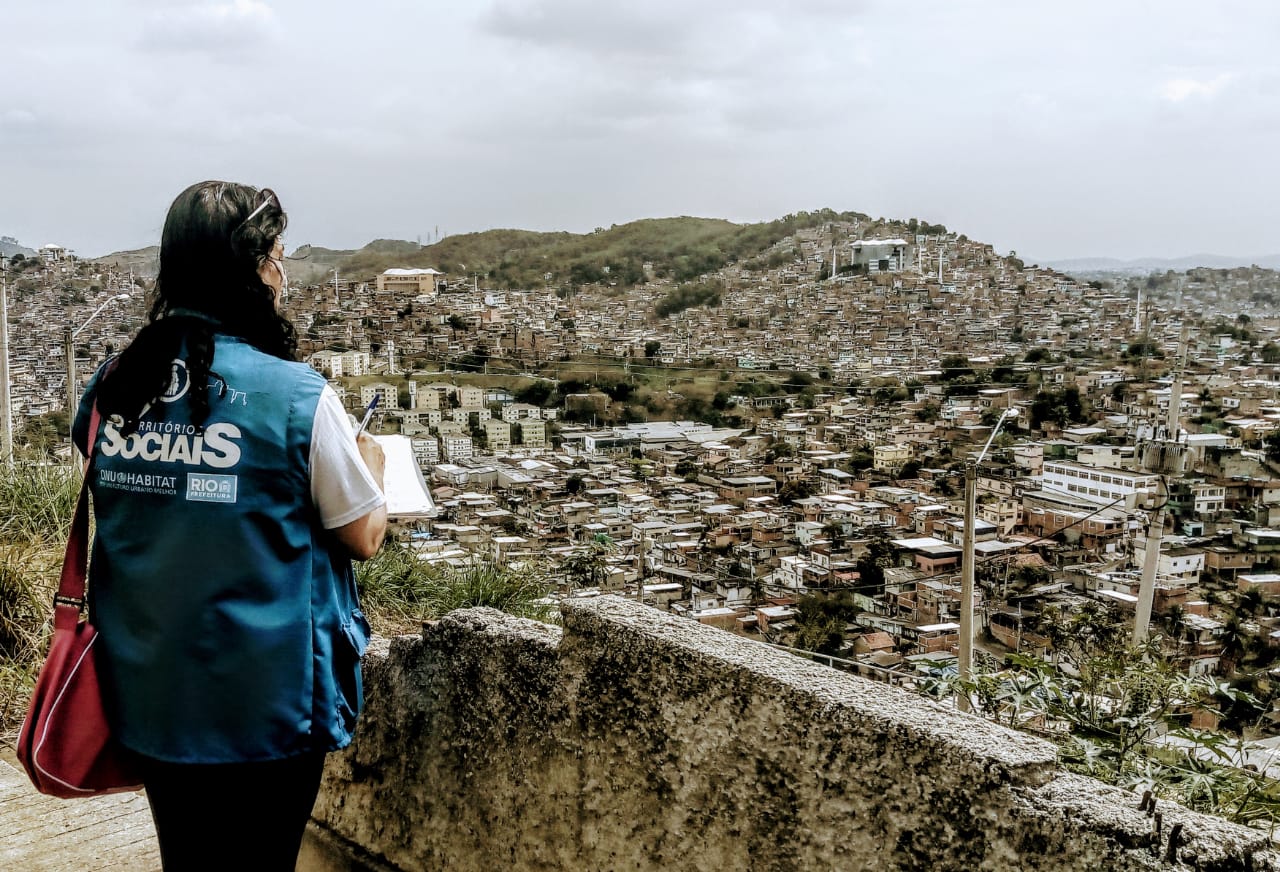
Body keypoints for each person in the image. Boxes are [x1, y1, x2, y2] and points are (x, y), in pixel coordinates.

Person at [72, 180, 387, 871]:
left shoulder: (116, 384)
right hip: (266, 700)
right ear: (254, 269)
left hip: (150, 684)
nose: (282, 271)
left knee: (186, 856)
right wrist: (372, 465)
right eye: (277, 255)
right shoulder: (297, 396)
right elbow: (363, 536)